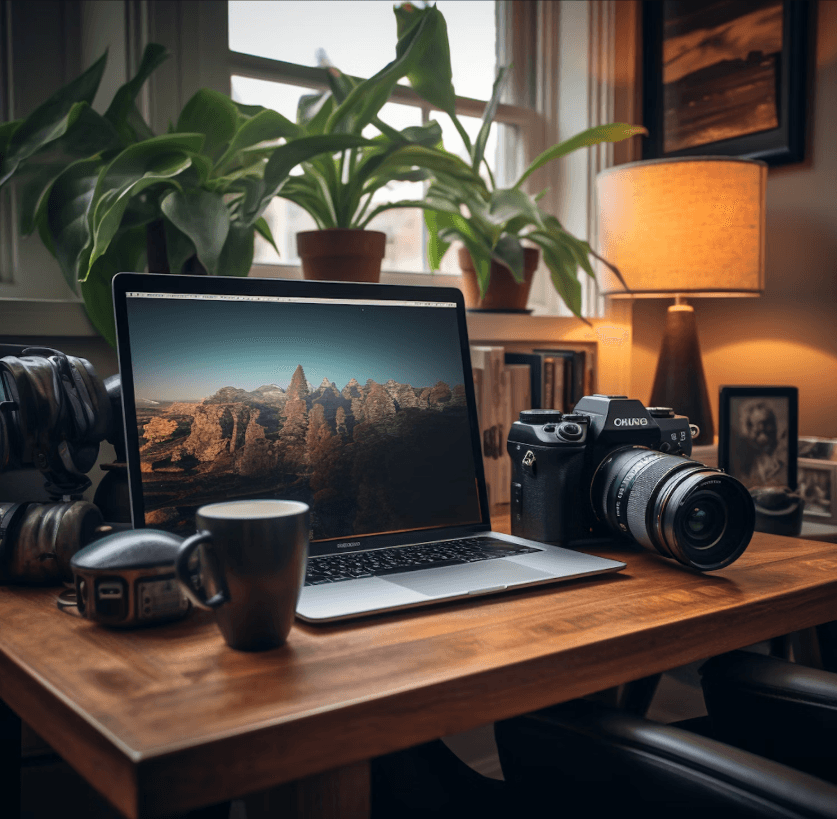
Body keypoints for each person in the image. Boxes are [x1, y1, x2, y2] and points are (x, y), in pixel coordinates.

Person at [734, 399, 786, 489]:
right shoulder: (744, 461)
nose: (762, 429)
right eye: (757, 424)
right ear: (749, 428)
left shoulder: (785, 455)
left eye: (767, 423)